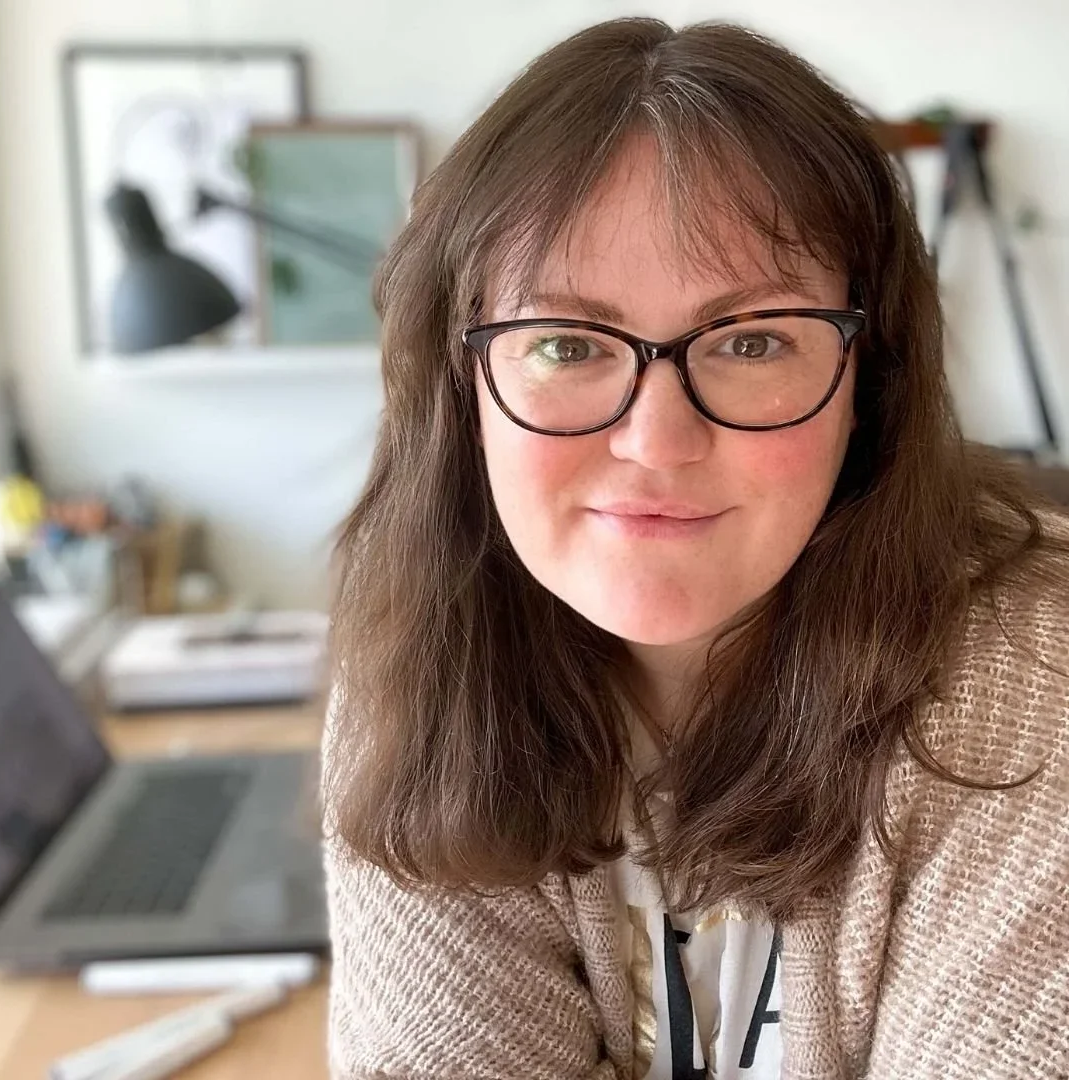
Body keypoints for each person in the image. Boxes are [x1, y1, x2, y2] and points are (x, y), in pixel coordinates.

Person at [321, 18, 1069, 1080]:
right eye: (567, 344)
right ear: (461, 388)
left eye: (754, 340)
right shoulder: (420, 654)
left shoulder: (1041, 678)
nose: (656, 442)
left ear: (873, 381)